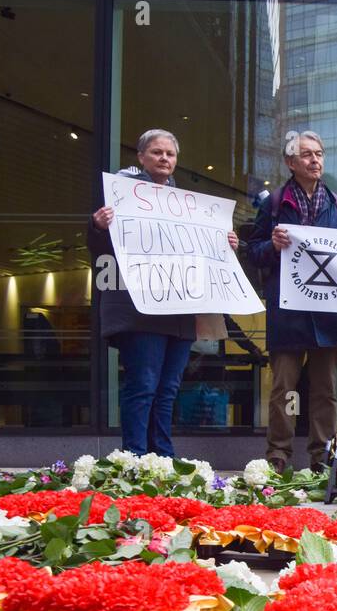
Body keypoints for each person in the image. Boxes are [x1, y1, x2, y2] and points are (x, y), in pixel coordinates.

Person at [89, 129, 238, 456]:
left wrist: (225, 245)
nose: (164, 159)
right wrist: (99, 227)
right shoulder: (120, 197)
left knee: (168, 389)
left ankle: (163, 459)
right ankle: (135, 458)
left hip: (180, 313)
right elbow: (103, 251)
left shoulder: (187, 206)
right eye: (157, 152)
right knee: (142, 387)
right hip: (139, 310)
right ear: (141, 157)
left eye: (170, 154)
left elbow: (204, 254)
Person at [246, 130, 337, 473]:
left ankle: (322, 458)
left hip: (329, 312)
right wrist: (271, 246)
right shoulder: (274, 204)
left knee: (325, 390)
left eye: (319, 154)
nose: (315, 160)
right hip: (289, 312)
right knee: (283, 389)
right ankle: (278, 457)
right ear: (290, 162)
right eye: (307, 155)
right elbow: (253, 251)